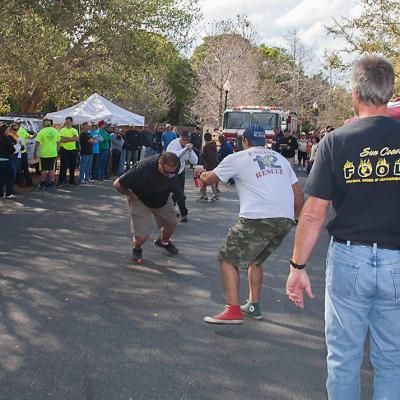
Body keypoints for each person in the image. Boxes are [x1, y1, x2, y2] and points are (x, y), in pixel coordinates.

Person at [286, 54, 400, 400]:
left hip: (351, 259)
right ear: (390, 91)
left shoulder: (336, 141)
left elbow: (313, 213)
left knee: (343, 358)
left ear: (355, 93)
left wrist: (297, 267)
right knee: (392, 360)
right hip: (397, 260)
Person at [195, 124, 303, 324]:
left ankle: (233, 309)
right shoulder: (280, 159)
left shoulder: (238, 158)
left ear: (244, 141)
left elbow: (209, 179)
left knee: (227, 257)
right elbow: (298, 195)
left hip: (258, 218)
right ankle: (253, 306)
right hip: (285, 219)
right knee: (255, 260)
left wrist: (200, 172)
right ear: (265, 140)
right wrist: (295, 219)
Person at [113, 152, 181, 264]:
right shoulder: (142, 169)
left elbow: (174, 182)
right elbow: (117, 184)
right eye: (166, 172)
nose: (169, 174)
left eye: (172, 172)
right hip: (141, 199)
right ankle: (137, 248)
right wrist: (131, 195)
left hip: (162, 197)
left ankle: (163, 242)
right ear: (159, 163)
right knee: (142, 236)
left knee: (171, 225)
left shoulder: (174, 165)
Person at [167, 131, 198, 222]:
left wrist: (191, 151)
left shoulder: (188, 147)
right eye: (184, 139)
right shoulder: (173, 144)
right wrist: (185, 149)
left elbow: (195, 161)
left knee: (180, 193)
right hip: (170, 171)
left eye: (188, 140)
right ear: (180, 138)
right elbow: (173, 156)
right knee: (170, 192)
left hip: (180, 171)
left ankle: (183, 213)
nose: (186, 142)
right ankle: (170, 211)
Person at [34, 119, 61, 192]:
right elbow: (59, 142)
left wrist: (35, 152)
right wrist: (57, 150)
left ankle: (42, 183)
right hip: (53, 153)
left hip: (44, 153)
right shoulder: (55, 131)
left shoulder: (42, 131)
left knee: (44, 169)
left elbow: (37, 142)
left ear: (44, 124)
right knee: (52, 168)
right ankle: (52, 184)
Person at [57, 116, 79, 186]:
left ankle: (72, 181)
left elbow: (76, 139)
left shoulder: (75, 130)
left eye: (68, 122)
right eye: (66, 122)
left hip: (73, 150)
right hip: (64, 150)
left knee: (72, 166)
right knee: (63, 166)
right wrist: (72, 138)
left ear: (72, 122)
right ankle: (61, 181)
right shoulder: (62, 130)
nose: (67, 123)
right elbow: (62, 139)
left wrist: (67, 138)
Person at [199, 132, 219, 201]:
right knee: (210, 180)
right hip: (215, 164)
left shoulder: (206, 147)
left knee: (205, 179)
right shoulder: (214, 145)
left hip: (209, 165)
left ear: (204, 139)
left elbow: (204, 156)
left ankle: (205, 195)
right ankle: (206, 195)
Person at [0, 123, 17, 199]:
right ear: (5, 130)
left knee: (1, 177)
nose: (8, 130)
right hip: (7, 160)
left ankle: (0, 194)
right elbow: (12, 150)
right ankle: (8, 193)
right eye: (7, 129)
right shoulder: (6, 138)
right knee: (11, 176)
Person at [15, 118, 34, 186]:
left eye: (20, 123)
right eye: (18, 123)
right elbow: (30, 137)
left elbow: (29, 137)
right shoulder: (14, 130)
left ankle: (26, 182)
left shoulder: (21, 130)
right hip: (18, 152)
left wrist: (34, 135)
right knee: (20, 168)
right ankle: (24, 182)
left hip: (21, 152)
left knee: (23, 168)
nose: (19, 124)